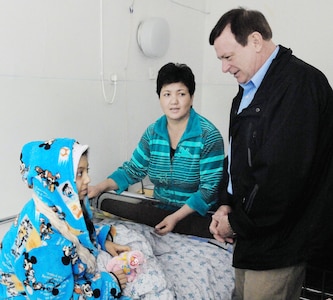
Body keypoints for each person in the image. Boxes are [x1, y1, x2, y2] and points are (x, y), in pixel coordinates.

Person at [208, 7, 333, 300]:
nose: (224, 68)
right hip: (251, 235)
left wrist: (234, 223)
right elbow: (236, 155)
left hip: (280, 243)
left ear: (254, 41)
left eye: (228, 57)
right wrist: (225, 204)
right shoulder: (248, 89)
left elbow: (282, 177)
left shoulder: (299, 84)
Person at [88, 62, 224, 237]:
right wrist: (99, 187)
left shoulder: (208, 135)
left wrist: (175, 217)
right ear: (159, 97)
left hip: (198, 219)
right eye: (167, 94)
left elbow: (208, 190)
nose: (173, 101)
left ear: (191, 97)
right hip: (159, 214)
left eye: (181, 94)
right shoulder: (153, 133)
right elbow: (132, 170)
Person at [0, 138, 131, 299]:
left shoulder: (55, 204)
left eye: (87, 171)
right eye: (79, 173)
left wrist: (102, 240)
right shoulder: (43, 245)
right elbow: (57, 296)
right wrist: (109, 283)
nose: (88, 180)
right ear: (57, 181)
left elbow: (74, 230)